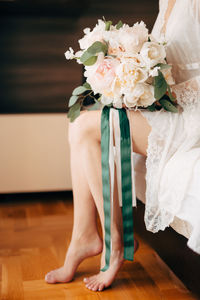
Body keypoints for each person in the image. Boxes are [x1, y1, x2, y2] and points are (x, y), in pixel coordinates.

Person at [45, 0, 200, 292]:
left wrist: (162, 94)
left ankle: (113, 242)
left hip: (192, 111)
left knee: (87, 128)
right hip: (170, 106)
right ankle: (85, 235)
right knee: (81, 124)